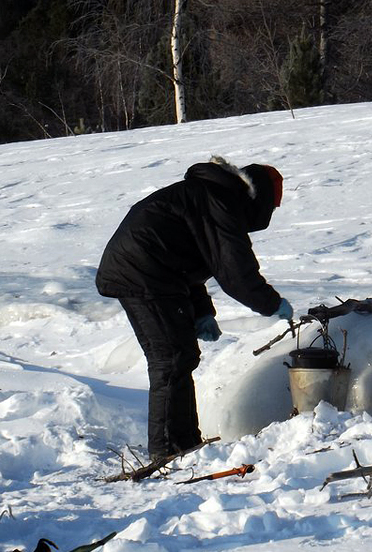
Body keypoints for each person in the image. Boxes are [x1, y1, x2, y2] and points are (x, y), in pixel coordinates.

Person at [96, 156, 293, 461]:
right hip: (143, 272)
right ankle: (167, 449)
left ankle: (184, 442)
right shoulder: (219, 200)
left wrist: (203, 311)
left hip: (152, 271)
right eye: (272, 207)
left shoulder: (211, 196)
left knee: (181, 355)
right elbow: (234, 269)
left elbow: (191, 259)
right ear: (261, 201)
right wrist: (270, 302)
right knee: (170, 359)